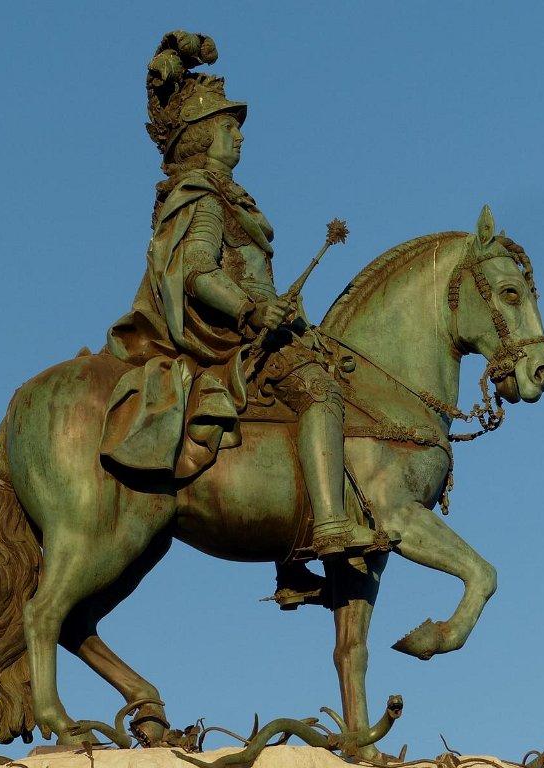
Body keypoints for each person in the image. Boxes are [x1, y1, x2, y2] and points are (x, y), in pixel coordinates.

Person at [103, 31, 375, 562]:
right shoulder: (205, 198)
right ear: (205, 136)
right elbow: (196, 271)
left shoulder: (228, 197)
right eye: (230, 127)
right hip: (238, 334)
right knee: (320, 391)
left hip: (262, 326)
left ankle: (291, 565)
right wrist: (253, 309)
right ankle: (329, 525)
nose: (240, 137)